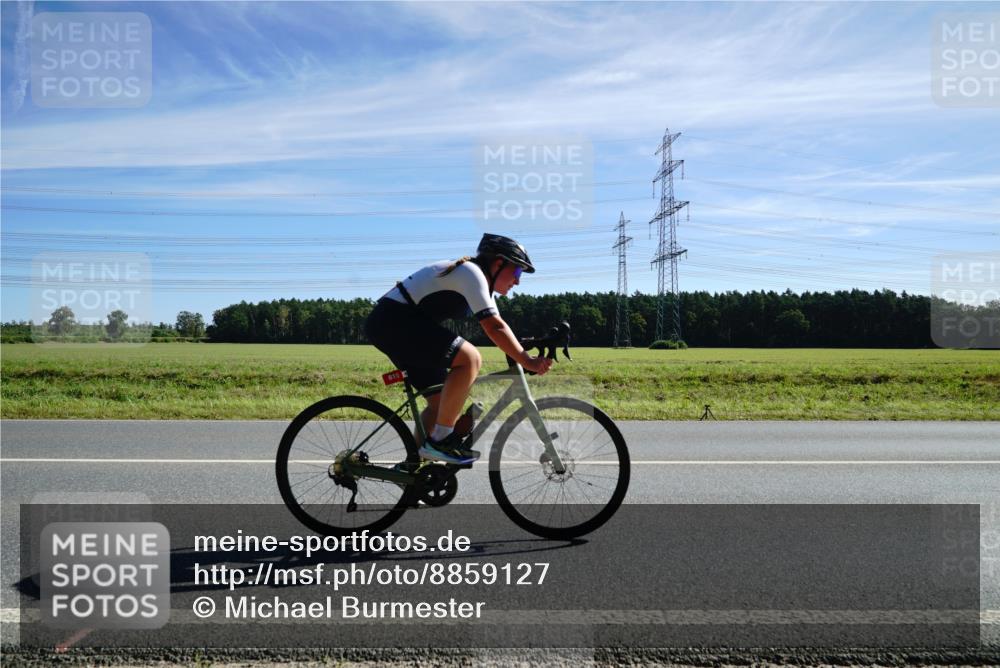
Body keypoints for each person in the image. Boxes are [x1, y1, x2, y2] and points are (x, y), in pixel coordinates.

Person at [364, 233, 553, 465]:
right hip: (394, 322)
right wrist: (527, 361)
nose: (518, 281)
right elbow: (494, 328)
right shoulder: (472, 274)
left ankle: (414, 469)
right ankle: (440, 442)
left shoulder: (479, 280)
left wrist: (524, 349)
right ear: (498, 263)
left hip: (400, 325)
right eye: (517, 272)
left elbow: (500, 326)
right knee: (470, 358)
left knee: (440, 404)